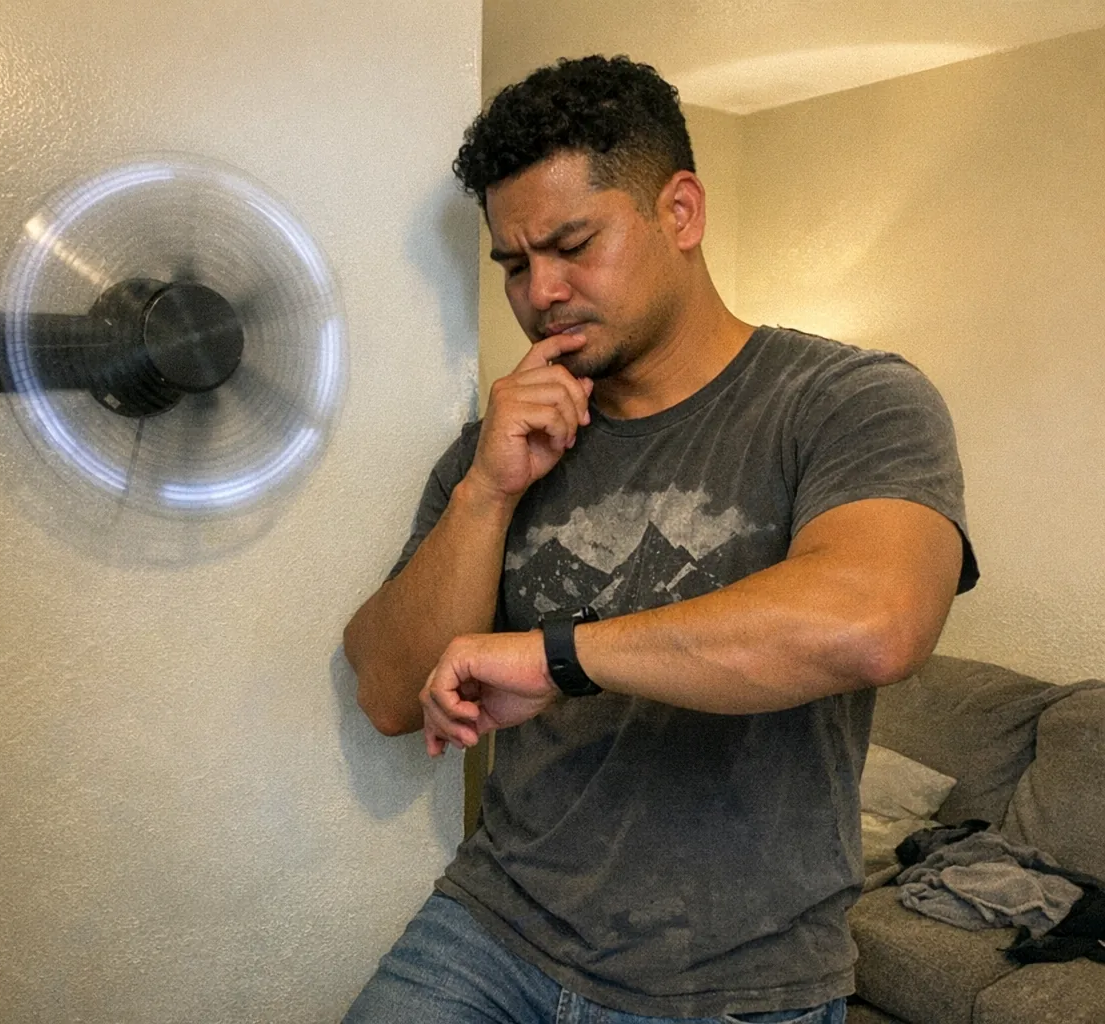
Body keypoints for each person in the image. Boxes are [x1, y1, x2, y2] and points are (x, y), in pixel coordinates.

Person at [341, 54, 979, 1024]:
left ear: (679, 212)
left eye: (571, 244)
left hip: (736, 980)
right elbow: (391, 692)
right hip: (495, 928)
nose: (539, 291)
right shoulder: (500, 446)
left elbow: (874, 620)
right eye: (514, 263)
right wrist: (486, 489)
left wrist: (557, 655)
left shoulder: (848, 400)